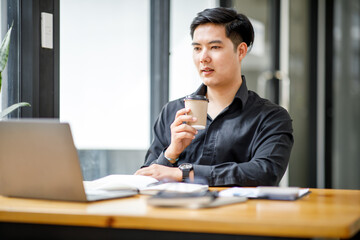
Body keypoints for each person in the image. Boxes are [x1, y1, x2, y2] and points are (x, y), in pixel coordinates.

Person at [135, 7, 294, 186]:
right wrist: (171, 153)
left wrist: (184, 173)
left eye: (214, 47)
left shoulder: (271, 117)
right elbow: (146, 177)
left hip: (237, 213)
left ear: (241, 51)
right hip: (179, 213)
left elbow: (265, 172)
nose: (203, 58)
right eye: (197, 48)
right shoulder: (173, 111)